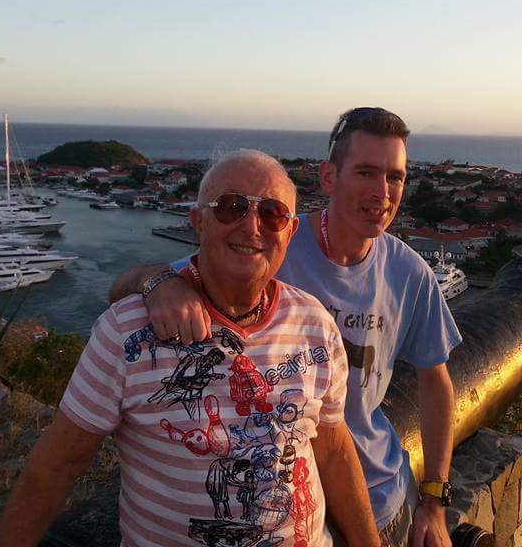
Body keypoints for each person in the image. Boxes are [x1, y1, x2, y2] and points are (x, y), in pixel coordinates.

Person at [110, 108, 462, 547]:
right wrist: (158, 281)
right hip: (283, 506)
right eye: (366, 172)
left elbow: (435, 384)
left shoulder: (409, 273)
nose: (382, 191)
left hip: (376, 496)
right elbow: (125, 287)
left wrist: (434, 500)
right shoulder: (269, 241)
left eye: (395, 177)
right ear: (329, 177)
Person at [0, 149, 380, 547]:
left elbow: (332, 451)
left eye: (272, 213)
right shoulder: (127, 333)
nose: (252, 227)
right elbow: (57, 466)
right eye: (231, 208)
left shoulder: (314, 322)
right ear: (198, 222)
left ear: (290, 232)